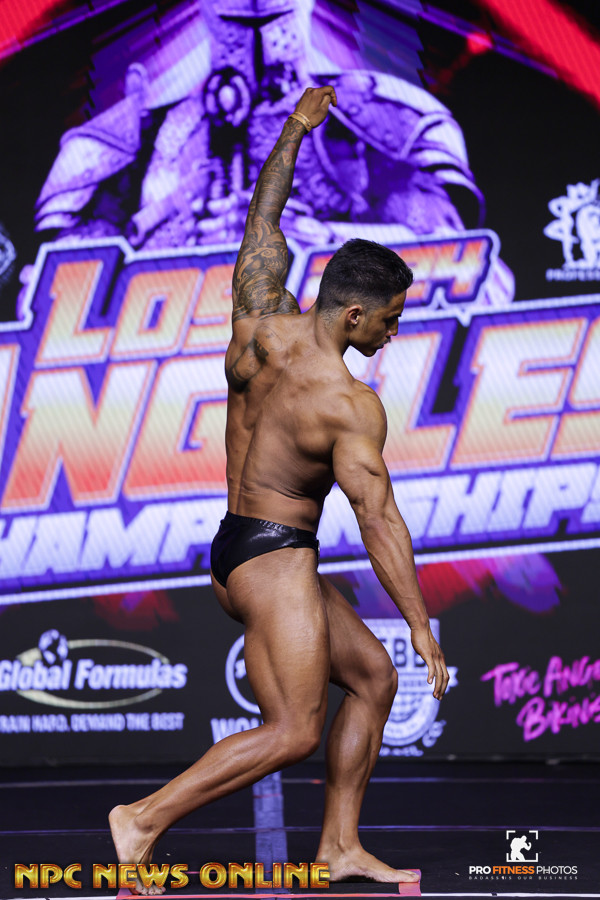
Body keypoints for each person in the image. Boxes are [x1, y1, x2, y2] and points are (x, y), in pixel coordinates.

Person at [109, 84, 449, 894]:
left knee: (373, 678)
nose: (394, 331)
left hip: (240, 545)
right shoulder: (348, 404)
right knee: (294, 729)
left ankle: (338, 848)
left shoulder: (258, 322)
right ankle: (142, 819)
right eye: (390, 319)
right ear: (354, 314)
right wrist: (420, 623)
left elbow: (264, 218)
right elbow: (378, 519)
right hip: (276, 559)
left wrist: (295, 127)